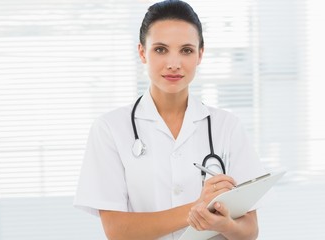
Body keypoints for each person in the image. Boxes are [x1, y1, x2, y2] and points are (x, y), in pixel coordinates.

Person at [74, 0, 267, 239]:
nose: (174, 64)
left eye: (186, 50)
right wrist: (198, 207)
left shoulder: (227, 127)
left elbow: (249, 231)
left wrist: (224, 224)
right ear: (142, 52)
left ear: (200, 55)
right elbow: (117, 230)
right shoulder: (110, 129)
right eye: (160, 49)